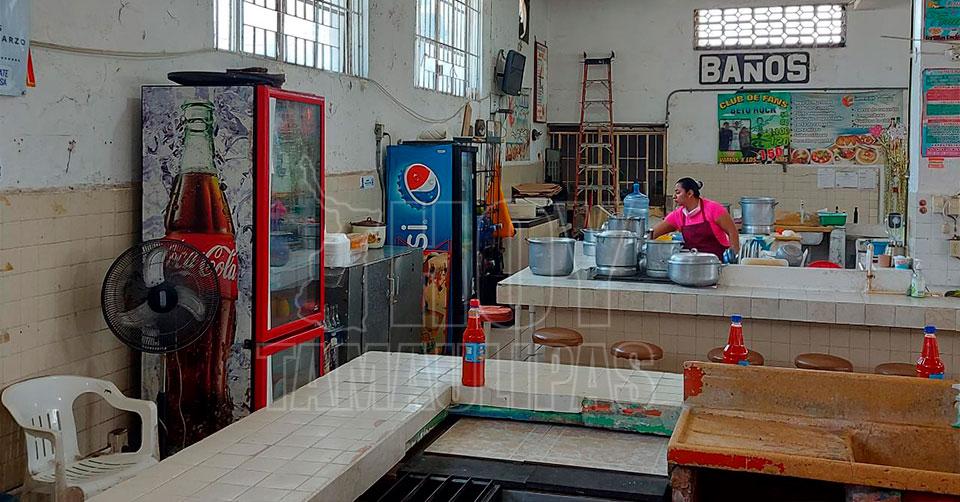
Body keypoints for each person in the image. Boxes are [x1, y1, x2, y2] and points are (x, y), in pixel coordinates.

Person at [651, 178, 740, 259]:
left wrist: (733, 258)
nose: (674, 196)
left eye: (678, 192)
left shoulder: (713, 209)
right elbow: (653, 233)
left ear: (690, 193)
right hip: (694, 263)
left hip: (717, 262)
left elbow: (732, 231)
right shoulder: (678, 215)